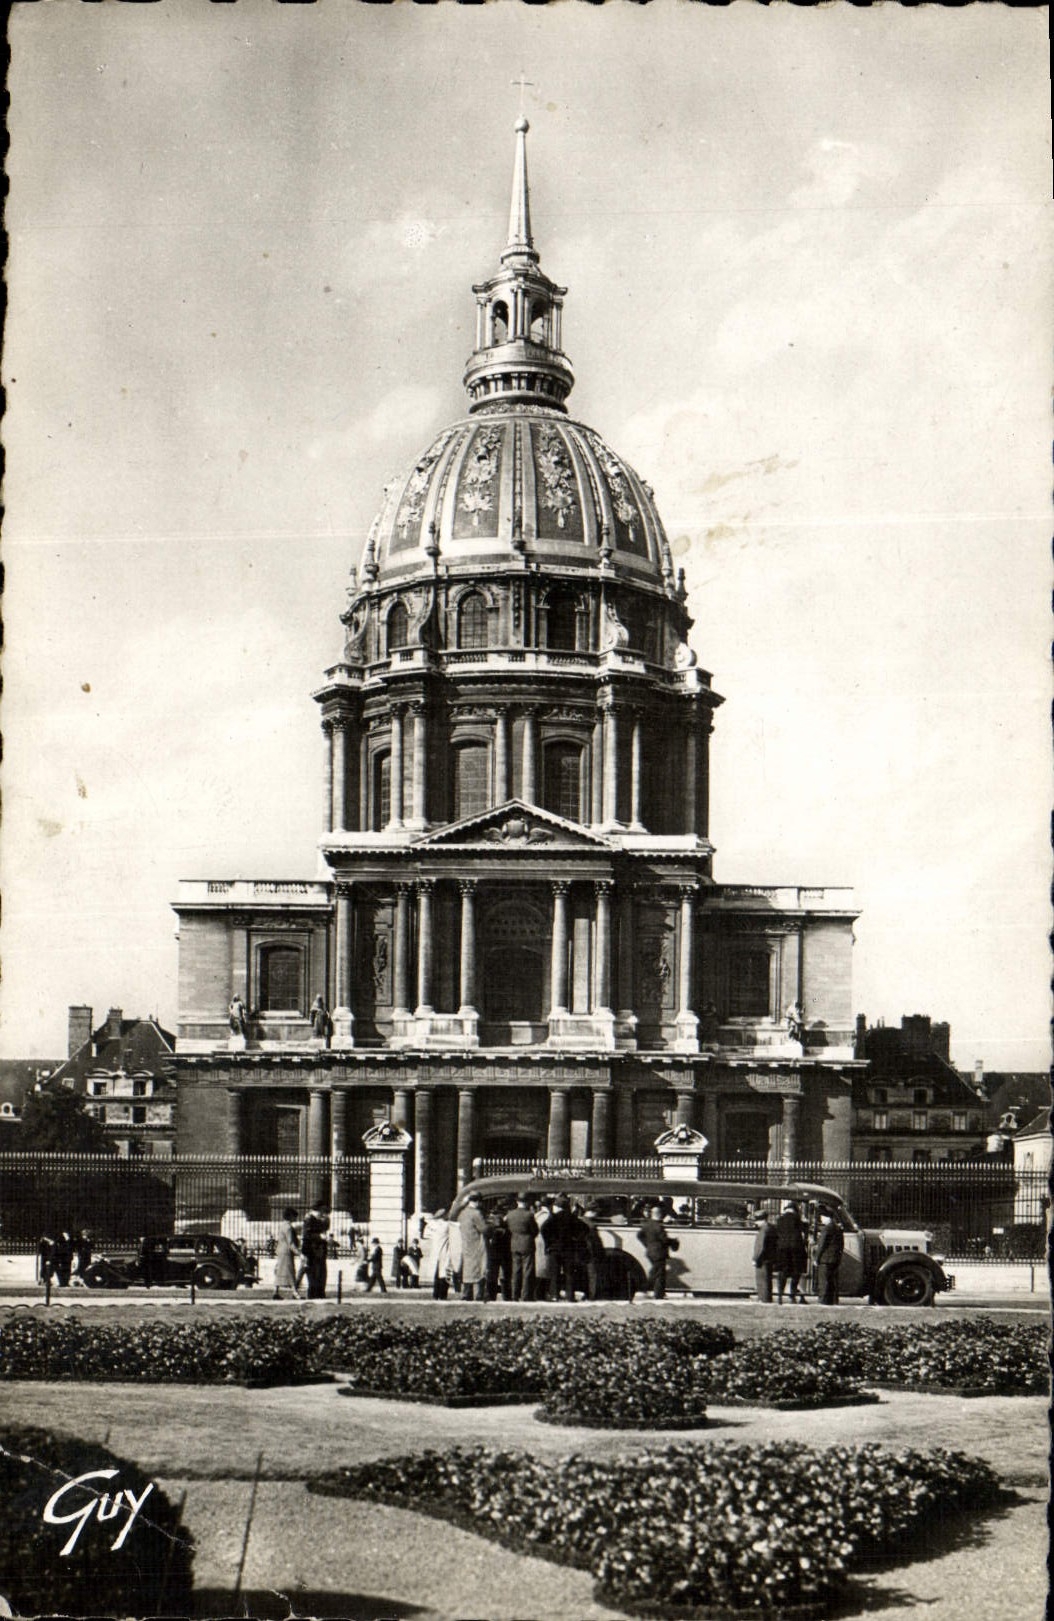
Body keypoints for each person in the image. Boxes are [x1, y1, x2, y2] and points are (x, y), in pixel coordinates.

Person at [542, 1195, 587, 1302]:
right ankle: (570, 1296)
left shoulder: (553, 1218)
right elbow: (584, 1229)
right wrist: (576, 1239)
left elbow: (544, 1230)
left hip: (554, 1249)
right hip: (568, 1248)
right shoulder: (572, 1218)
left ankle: (554, 1295)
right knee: (569, 1273)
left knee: (555, 1273)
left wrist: (549, 1243)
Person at [636, 1204, 679, 1300]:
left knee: (658, 1272)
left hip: (650, 1252)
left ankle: (656, 1293)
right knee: (659, 1273)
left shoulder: (647, 1224)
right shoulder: (659, 1226)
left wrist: (647, 1244)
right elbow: (664, 1240)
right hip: (659, 1252)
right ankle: (648, 1290)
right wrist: (674, 1241)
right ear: (659, 1215)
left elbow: (639, 1235)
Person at [505, 1194, 539, 1302]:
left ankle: (514, 1295)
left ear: (517, 1202)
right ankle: (526, 1295)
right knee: (527, 1271)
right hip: (527, 1244)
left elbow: (508, 1229)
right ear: (527, 1202)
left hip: (514, 1244)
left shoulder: (510, 1215)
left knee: (516, 1271)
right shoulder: (529, 1215)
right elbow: (535, 1230)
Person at [775, 1202, 808, 1304]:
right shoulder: (798, 1219)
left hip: (782, 1250)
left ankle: (780, 1295)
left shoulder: (779, 1220)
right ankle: (792, 1295)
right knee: (795, 1273)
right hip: (796, 1250)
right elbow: (805, 1231)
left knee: (782, 1273)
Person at [457, 1193, 488, 1302]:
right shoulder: (476, 1214)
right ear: (478, 1202)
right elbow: (484, 1229)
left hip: (466, 1243)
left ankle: (466, 1293)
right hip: (476, 1244)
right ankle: (479, 1294)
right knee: (480, 1268)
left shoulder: (462, 1213)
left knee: (467, 1269)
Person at [814, 1209, 845, 1305]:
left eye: (822, 1217)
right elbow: (841, 1244)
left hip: (825, 1259)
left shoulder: (826, 1229)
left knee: (824, 1281)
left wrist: (817, 1258)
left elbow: (822, 1245)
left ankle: (823, 1301)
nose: (821, 1219)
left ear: (826, 1217)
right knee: (833, 1282)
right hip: (835, 1258)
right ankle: (834, 1301)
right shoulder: (838, 1228)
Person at [301, 1201, 330, 1299]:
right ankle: (314, 1294)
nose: (323, 1213)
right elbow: (307, 1235)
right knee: (313, 1273)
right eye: (321, 1211)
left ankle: (319, 1292)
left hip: (319, 1251)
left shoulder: (318, 1219)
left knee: (320, 1273)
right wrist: (320, 1236)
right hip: (312, 1251)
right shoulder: (309, 1219)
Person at [273, 1207, 301, 1299]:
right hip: (287, 1253)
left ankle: (276, 1292)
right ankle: (295, 1293)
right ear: (290, 1216)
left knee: (279, 1272)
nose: (295, 1218)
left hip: (281, 1251)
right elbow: (291, 1243)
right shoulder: (289, 1227)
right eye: (294, 1216)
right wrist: (299, 1253)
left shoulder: (282, 1226)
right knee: (290, 1272)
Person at [484, 1209, 512, 1301]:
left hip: (493, 1255)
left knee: (492, 1275)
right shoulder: (507, 1230)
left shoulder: (490, 1229)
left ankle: (491, 1295)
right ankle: (507, 1296)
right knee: (505, 1276)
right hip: (505, 1255)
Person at [752, 1211, 779, 1303]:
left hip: (763, 1259)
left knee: (761, 1279)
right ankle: (766, 1298)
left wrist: (756, 1258)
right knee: (767, 1279)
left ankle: (763, 1298)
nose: (756, 1223)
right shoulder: (771, 1228)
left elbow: (761, 1246)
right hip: (769, 1258)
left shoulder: (764, 1230)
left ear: (761, 1220)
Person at [580, 1208, 605, 1302]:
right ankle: (592, 1295)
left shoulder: (581, 1221)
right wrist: (600, 1252)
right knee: (593, 1274)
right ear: (591, 1212)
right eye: (595, 1212)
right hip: (591, 1253)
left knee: (585, 1274)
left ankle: (586, 1294)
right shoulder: (591, 1225)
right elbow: (596, 1242)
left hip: (582, 1252)